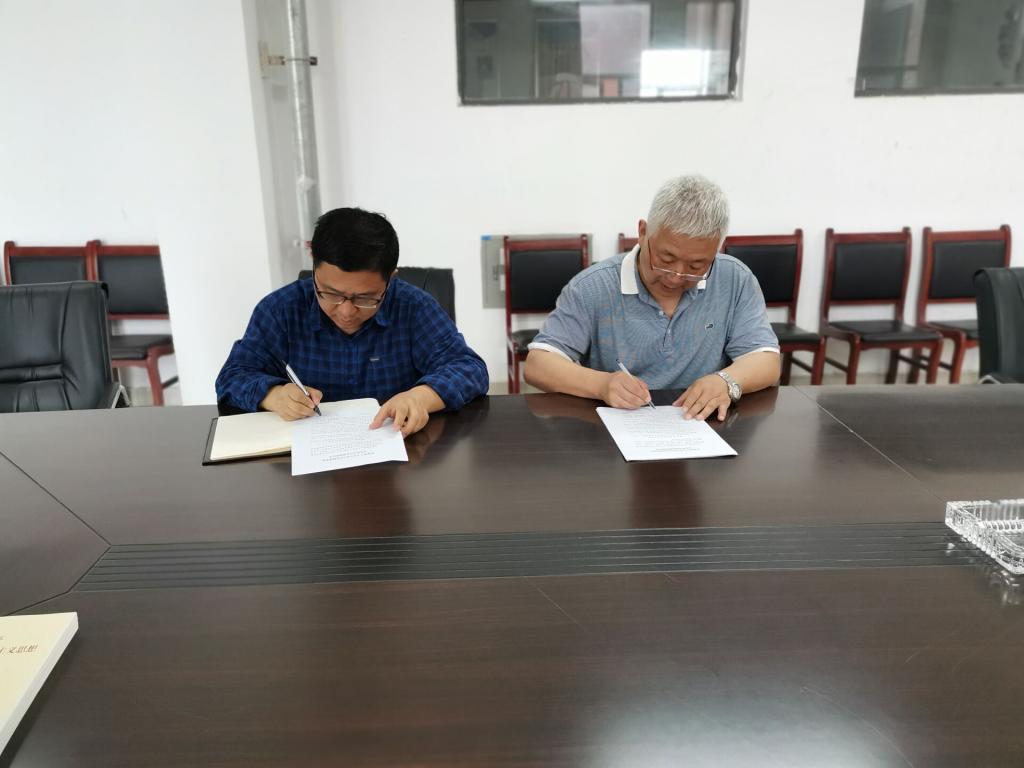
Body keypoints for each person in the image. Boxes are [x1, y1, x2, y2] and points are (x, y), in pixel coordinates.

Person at [524, 175, 779, 421]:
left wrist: (726, 381)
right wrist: (601, 384)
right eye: (665, 259)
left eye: (696, 266)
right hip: (615, 431)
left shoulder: (734, 279)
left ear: (716, 250)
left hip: (701, 426)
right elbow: (538, 364)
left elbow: (766, 359)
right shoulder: (592, 287)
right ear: (643, 232)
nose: (676, 277)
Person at [215, 207, 488, 436]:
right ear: (314, 264)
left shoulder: (414, 307)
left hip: (397, 451)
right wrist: (273, 395)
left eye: (365, 298)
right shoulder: (280, 310)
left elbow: (469, 368)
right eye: (330, 293)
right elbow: (232, 376)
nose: (346, 312)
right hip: (308, 463)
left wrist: (421, 397)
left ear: (390, 278)